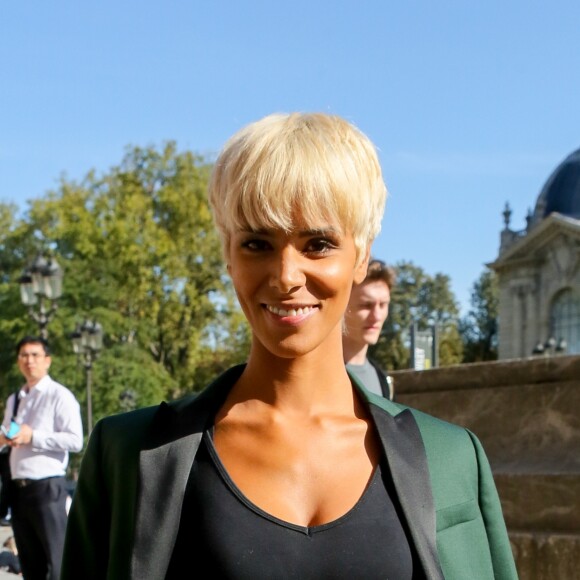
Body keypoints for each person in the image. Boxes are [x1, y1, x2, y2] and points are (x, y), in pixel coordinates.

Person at [62, 112, 518, 579]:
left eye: (318, 244)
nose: (285, 276)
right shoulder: (129, 455)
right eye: (257, 243)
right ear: (227, 254)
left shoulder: (452, 458)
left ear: (361, 257)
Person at [0, 336, 83, 580]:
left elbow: (75, 440)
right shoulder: (14, 399)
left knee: (57, 563)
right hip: (18, 490)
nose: (29, 361)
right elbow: (8, 432)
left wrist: (33, 436)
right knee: (30, 564)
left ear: (47, 360)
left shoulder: (60, 395)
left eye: (35, 355)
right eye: (24, 355)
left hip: (47, 488)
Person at [343, 258, 396, 399]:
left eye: (383, 305)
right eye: (366, 305)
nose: (377, 316)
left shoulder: (383, 381)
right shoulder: (313, 376)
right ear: (342, 306)